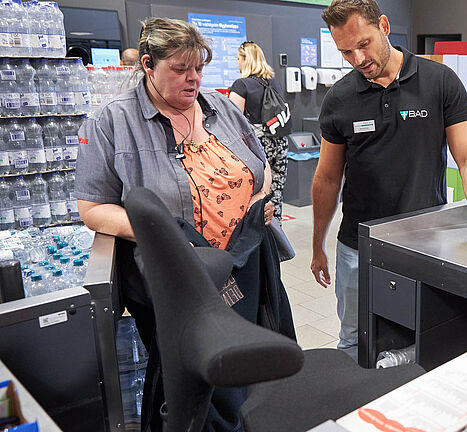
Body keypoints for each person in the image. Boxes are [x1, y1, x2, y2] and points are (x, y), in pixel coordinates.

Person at [75, 17, 294, 431]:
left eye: (198, 68)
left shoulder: (223, 107)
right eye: (179, 69)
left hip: (241, 264)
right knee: (199, 381)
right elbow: (92, 208)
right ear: (147, 64)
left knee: (247, 367)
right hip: (178, 278)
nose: (192, 79)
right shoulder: (111, 122)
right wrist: (163, 235)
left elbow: (260, 164)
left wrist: (261, 197)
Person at [310, 0, 467, 362]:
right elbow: (328, 178)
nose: (358, 59)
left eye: (364, 44)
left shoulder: (438, 81)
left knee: (425, 335)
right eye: (346, 51)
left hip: (426, 246)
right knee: (353, 339)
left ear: (384, 26)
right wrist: (318, 246)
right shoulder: (339, 99)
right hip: (358, 247)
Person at [229, 42, 289, 221]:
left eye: (238, 59)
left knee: (256, 192)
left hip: (257, 145)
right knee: (276, 189)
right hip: (280, 141)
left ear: (246, 60)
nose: (237, 63)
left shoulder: (241, 85)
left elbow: (234, 120)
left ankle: (259, 233)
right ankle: (277, 230)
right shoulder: (274, 82)